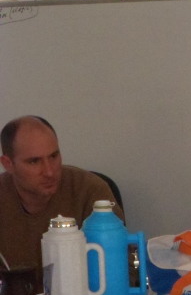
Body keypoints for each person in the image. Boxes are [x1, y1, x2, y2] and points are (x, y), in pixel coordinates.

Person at [0, 116, 123, 283]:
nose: (49, 172)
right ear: (8, 164)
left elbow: (122, 268)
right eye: (34, 161)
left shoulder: (90, 190)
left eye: (54, 156)